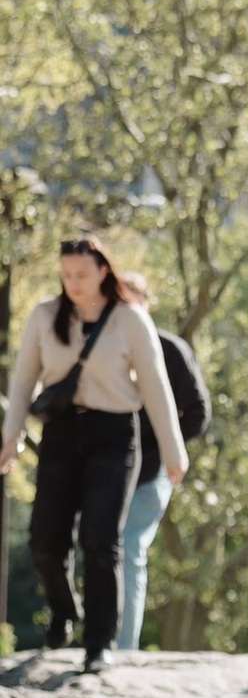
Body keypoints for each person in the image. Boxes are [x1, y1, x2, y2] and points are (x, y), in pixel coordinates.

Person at [0, 238, 190, 672]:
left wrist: (174, 451)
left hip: (114, 434)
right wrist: (10, 437)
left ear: (104, 270)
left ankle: (99, 642)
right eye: (66, 275)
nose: (73, 283)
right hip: (61, 435)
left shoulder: (130, 319)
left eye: (82, 275)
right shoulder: (46, 315)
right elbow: (24, 378)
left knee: (101, 540)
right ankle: (65, 611)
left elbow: (156, 387)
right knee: (45, 541)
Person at [108, 267, 209, 656]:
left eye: (132, 301)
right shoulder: (105, 349)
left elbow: (198, 413)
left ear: (147, 304)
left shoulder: (171, 350)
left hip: (150, 474)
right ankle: (101, 642)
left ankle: (124, 649)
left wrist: (166, 447)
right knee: (102, 550)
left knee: (129, 549)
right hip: (108, 472)